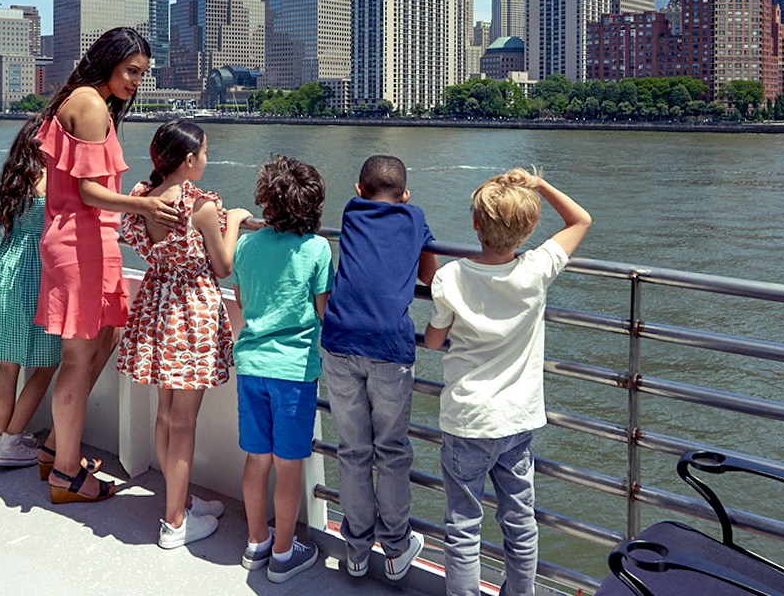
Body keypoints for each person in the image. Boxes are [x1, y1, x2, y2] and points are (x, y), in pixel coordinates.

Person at [423, 168, 591, 596]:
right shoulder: (537, 269)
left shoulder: (451, 277)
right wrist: (540, 185)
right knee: (519, 521)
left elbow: (434, 339)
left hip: (465, 419)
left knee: (463, 526)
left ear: (475, 224)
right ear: (529, 229)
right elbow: (581, 221)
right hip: (517, 421)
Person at [33, 26, 180, 504]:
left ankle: (56, 447)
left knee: (106, 338)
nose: (137, 81)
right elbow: (89, 192)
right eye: (131, 71)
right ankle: (66, 475)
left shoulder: (77, 101)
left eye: (142, 74)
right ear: (109, 62)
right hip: (80, 245)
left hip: (88, 242)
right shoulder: (93, 106)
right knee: (77, 360)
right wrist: (144, 207)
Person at [116, 120, 251, 549]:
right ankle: (175, 522)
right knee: (184, 424)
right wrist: (237, 221)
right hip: (189, 313)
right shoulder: (201, 206)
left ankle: (180, 500)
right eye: (205, 153)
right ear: (189, 160)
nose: (207, 160)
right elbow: (223, 265)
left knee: (165, 415)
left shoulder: (143, 197)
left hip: (157, 307)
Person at [319, 154, 438, 580]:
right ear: (405, 196)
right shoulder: (414, 216)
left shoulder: (352, 212)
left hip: (339, 341)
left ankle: (354, 551)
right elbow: (428, 275)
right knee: (390, 451)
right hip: (389, 346)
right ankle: (395, 547)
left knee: (353, 450)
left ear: (359, 191)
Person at [231, 154, 332, 584]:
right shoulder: (317, 248)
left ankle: (257, 542)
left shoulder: (248, 245)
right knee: (289, 465)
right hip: (293, 371)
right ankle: (284, 552)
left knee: (257, 458)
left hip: (251, 364)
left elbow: (240, 299)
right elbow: (323, 308)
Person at [0, 117, 59, 468]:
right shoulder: (52, 178)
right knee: (47, 362)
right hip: (35, 273)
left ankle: (4, 435)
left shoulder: (15, 177)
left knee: (10, 363)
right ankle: (9, 442)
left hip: (7, 265)